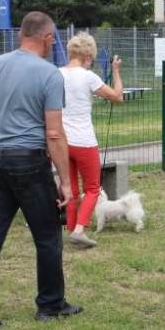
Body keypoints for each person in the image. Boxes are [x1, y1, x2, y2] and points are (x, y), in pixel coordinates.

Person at [0, 11, 82, 330]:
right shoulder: (49, 74)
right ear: (48, 39)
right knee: (47, 236)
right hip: (29, 163)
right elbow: (54, 133)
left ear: (20, 35)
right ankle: (50, 304)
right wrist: (66, 182)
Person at [59, 32, 124, 247]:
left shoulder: (57, 74)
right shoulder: (88, 77)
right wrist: (116, 71)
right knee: (93, 188)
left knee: (70, 187)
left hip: (62, 141)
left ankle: (70, 228)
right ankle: (80, 230)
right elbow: (117, 97)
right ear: (88, 56)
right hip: (84, 141)